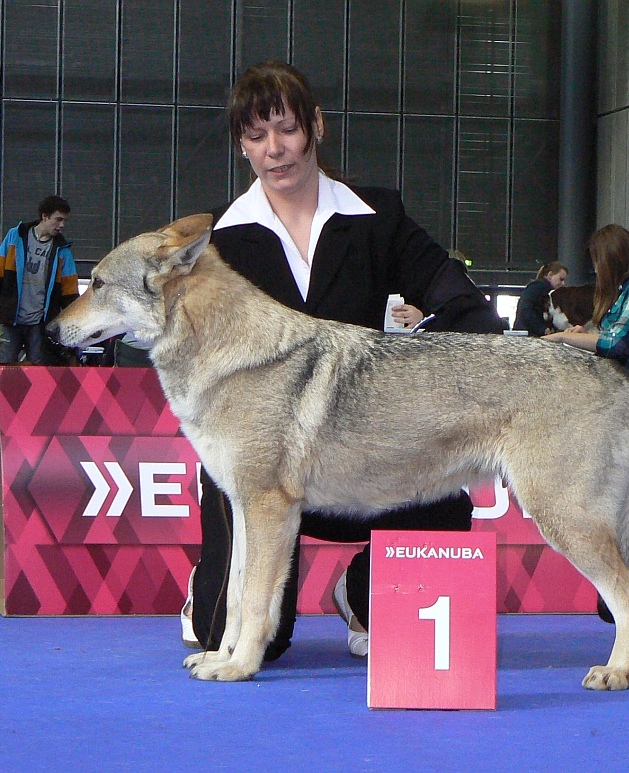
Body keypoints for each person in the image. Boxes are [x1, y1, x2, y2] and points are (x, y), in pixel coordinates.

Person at [187, 61, 506, 661]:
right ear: (242, 148)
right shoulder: (220, 243)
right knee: (229, 640)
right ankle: (208, 592)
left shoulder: (378, 217)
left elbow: (459, 302)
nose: (275, 150)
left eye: (286, 129)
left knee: (445, 506)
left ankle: (358, 592)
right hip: (262, 461)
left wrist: (437, 360)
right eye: (256, 137)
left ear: (317, 127)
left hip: (367, 458)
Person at [543, 224, 629, 376]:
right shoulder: (628, 288)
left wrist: (563, 337)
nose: (596, 270)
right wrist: (584, 336)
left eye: (597, 262)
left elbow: (616, 344)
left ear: (612, 259)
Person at [0, 195, 78, 365]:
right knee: (3, 368)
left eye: (64, 220)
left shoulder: (63, 251)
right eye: (58, 219)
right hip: (10, 317)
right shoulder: (15, 236)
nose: (62, 225)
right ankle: (2, 393)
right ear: (45, 216)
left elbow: (70, 293)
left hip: (40, 322)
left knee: (39, 370)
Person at [512, 261, 568, 336]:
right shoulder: (539, 287)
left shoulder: (538, 287)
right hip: (528, 334)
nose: (563, 283)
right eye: (561, 279)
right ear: (550, 274)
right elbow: (526, 309)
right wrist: (542, 329)